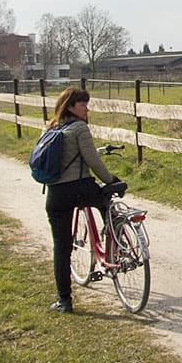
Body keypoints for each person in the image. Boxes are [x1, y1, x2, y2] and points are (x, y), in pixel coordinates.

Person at [42, 86, 126, 313]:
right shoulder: (80, 128)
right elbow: (93, 160)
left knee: (61, 248)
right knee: (106, 202)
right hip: (81, 188)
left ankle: (64, 301)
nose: (86, 109)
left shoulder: (50, 127)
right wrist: (110, 180)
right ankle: (116, 242)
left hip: (56, 194)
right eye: (82, 105)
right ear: (71, 106)